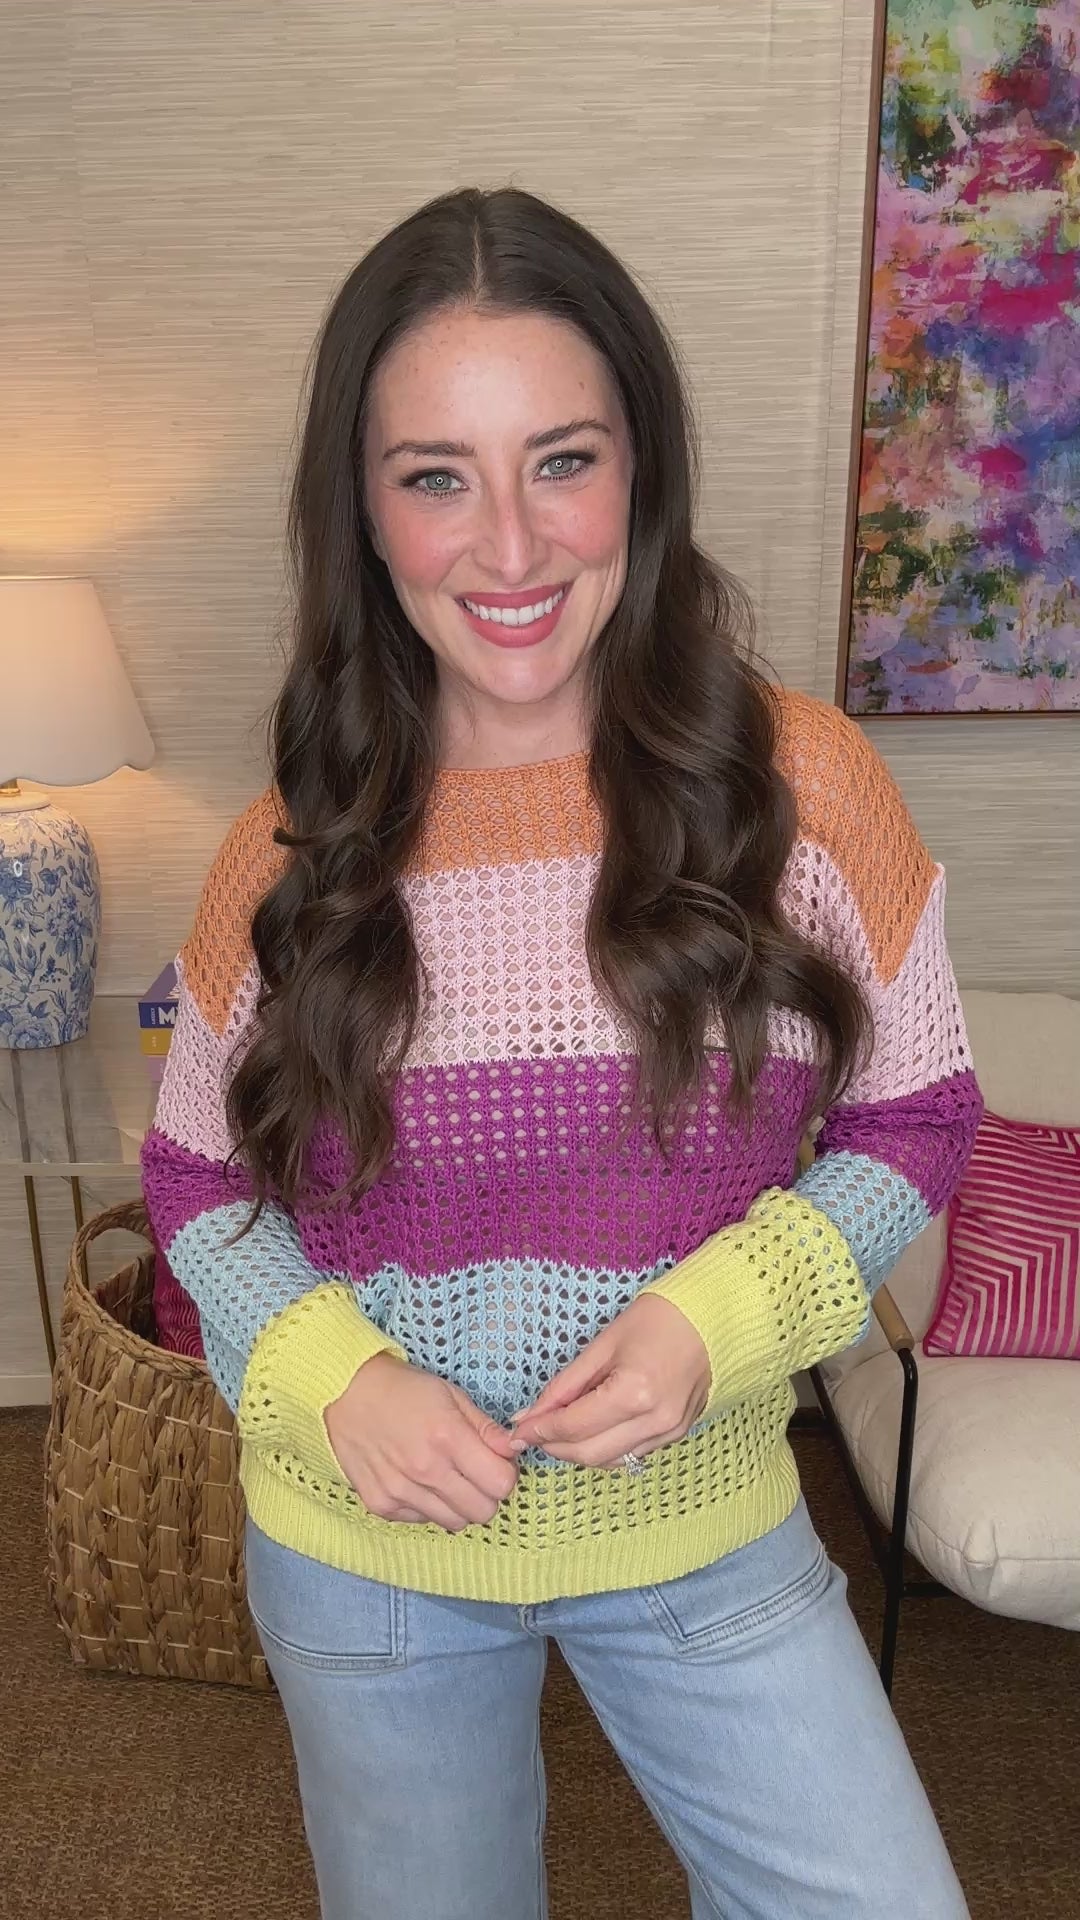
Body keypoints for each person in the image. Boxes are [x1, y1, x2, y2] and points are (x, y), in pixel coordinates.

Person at [141, 186, 982, 1920]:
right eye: (436, 477)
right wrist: (334, 1377)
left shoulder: (802, 786)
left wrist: (716, 1321)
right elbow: (193, 1182)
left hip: (702, 1519)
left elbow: (917, 1118)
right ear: (364, 513)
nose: (511, 548)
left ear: (640, 472)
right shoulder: (292, 844)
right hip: (367, 1549)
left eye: (564, 461)